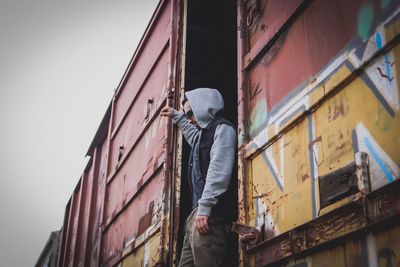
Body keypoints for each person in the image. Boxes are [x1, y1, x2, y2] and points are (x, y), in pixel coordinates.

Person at [161, 88, 237, 267]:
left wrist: (205, 208)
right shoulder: (203, 135)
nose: (188, 118)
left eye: (189, 113)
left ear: (203, 107)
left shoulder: (223, 129)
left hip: (209, 216)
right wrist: (176, 116)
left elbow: (219, 171)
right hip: (197, 215)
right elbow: (192, 135)